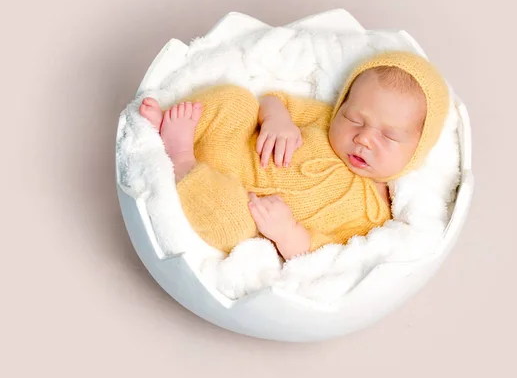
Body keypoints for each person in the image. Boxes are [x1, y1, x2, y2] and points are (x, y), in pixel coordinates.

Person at [139, 51, 449, 259]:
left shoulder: (374, 216)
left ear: (417, 150)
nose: (364, 138)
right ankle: (169, 123)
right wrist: (277, 119)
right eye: (354, 119)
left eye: (388, 136)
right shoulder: (324, 119)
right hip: (230, 144)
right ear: (342, 105)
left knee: (231, 226)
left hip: (238, 202)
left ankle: (180, 157)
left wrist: (288, 232)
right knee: (237, 100)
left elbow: (324, 252)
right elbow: (273, 100)